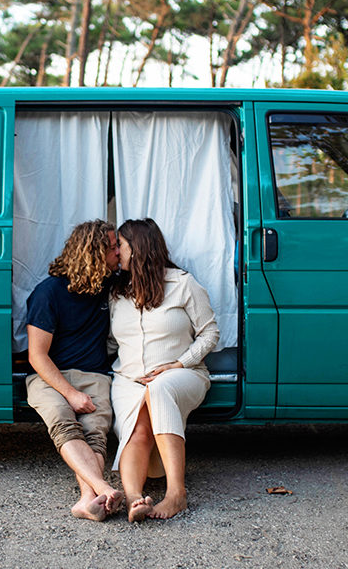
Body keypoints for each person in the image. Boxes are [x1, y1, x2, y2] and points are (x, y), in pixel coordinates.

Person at [109, 218, 219, 521]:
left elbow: (210, 333)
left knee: (159, 387)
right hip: (129, 379)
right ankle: (134, 499)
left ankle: (176, 494)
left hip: (182, 375)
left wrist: (179, 363)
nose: (115, 251)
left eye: (120, 245)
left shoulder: (183, 283)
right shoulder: (118, 292)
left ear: (139, 247)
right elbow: (110, 341)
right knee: (136, 430)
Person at [25, 219, 124, 521]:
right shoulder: (48, 293)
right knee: (63, 421)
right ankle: (102, 488)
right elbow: (37, 356)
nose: (119, 252)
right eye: (113, 247)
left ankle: (86, 499)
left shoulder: (109, 285)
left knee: (96, 433)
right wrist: (69, 394)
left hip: (94, 376)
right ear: (94, 253)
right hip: (50, 377)